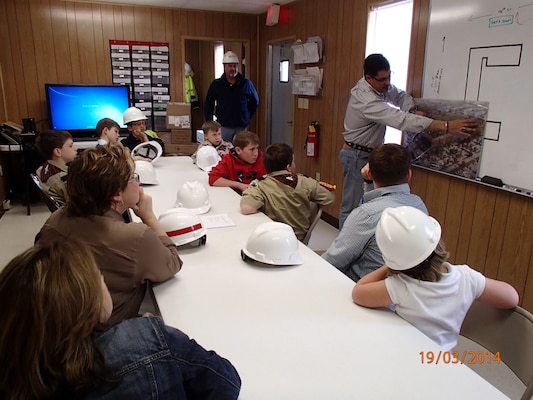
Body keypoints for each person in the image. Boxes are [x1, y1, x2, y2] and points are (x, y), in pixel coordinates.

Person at [0, 240, 241, 399]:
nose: (104, 279)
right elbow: (226, 383)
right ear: (84, 303)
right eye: (98, 277)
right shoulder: (143, 343)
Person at [35, 145, 182, 328]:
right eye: (134, 178)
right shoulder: (135, 237)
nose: (139, 184)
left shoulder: (55, 220)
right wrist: (149, 217)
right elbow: (173, 262)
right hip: (108, 337)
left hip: (60, 332)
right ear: (116, 194)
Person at [338, 53, 478, 229]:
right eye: (382, 79)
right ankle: (344, 247)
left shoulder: (379, 87)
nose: (387, 83)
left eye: (389, 77)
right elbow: (399, 120)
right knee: (352, 207)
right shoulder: (365, 99)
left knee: (371, 206)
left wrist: (411, 108)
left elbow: (400, 97)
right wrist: (446, 126)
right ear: (368, 78)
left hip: (370, 154)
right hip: (356, 155)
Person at [352, 206, 519, 351]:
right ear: (438, 241)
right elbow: (511, 298)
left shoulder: (401, 286)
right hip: (440, 361)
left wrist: (391, 265)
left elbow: (359, 292)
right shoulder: (467, 278)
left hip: (405, 359)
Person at [322, 143, 427, 282]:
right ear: (409, 175)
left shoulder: (366, 215)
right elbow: (380, 200)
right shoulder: (419, 205)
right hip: (400, 289)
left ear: (370, 173)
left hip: (361, 289)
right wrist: (368, 183)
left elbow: (334, 260)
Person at [241, 143, 335, 241]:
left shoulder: (260, 184)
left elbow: (247, 208)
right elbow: (329, 198)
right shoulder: (306, 181)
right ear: (288, 167)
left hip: (271, 238)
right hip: (298, 239)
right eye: (293, 162)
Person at [204, 51, 259, 143]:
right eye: (230, 66)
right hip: (224, 126)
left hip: (241, 127)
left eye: (235, 66)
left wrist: (246, 116)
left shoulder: (246, 83)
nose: (233, 68)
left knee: (241, 151)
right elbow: (208, 103)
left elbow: (255, 101)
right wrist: (209, 123)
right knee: (224, 151)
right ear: (224, 67)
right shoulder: (217, 84)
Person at [35, 129, 78, 206]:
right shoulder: (64, 179)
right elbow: (77, 205)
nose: (75, 148)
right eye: (70, 146)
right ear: (58, 152)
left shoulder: (43, 168)